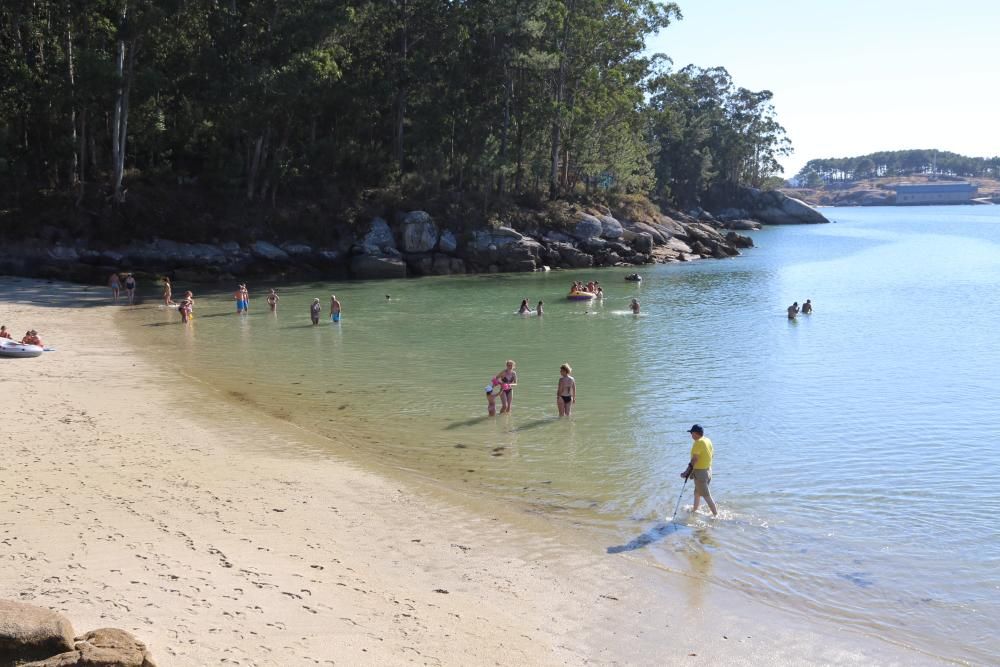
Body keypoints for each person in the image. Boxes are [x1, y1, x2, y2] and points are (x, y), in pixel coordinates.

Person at [680, 424, 717, 517]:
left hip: (701, 474)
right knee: (697, 493)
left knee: (706, 496)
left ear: (696, 433)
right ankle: (695, 510)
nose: (691, 435)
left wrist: (686, 472)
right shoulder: (707, 440)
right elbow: (712, 455)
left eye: (691, 433)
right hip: (708, 471)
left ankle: (716, 515)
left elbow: (694, 459)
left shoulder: (698, 442)